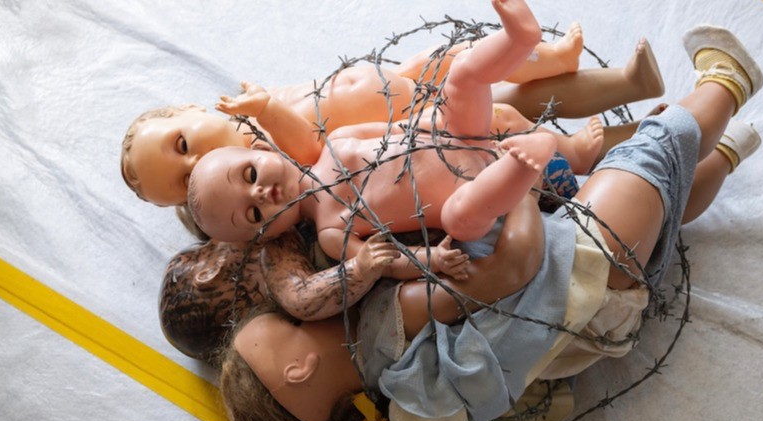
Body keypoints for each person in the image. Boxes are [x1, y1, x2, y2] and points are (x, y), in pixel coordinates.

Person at [213, 17, 763, 421]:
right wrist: (520, 181)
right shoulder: (388, 321)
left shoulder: (392, 380)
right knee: (648, 156)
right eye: (288, 319)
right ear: (299, 368)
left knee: (665, 200)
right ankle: (728, 84)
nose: (296, 305)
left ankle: (727, 152)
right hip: (583, 267)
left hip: (593, 304)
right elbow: (512, 266)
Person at [187, 0, 564, 282]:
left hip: (452, 133)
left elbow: (396, 127)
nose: (258, 194)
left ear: (263, 150)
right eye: (254, 215)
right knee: (462, 220)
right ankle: (523, 163)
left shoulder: (335, 141)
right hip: (464, 189)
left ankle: (518, 39)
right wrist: (432, 259)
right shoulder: (331, 232)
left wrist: (434, 119)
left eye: (250, 174)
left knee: (463, 76)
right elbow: (388, 260)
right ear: (269, 234)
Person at [119, 22, 667, 209]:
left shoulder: (247, 103)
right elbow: (317, 153)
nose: (198, 162)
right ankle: (636, 135)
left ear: (188, 109)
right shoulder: (260, 165)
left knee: (475, 60)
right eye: (187, 184)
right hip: (417, 126)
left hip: (399, 79)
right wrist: (265, 113)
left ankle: (585, 69)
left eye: (182, 145)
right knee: (508, 108)